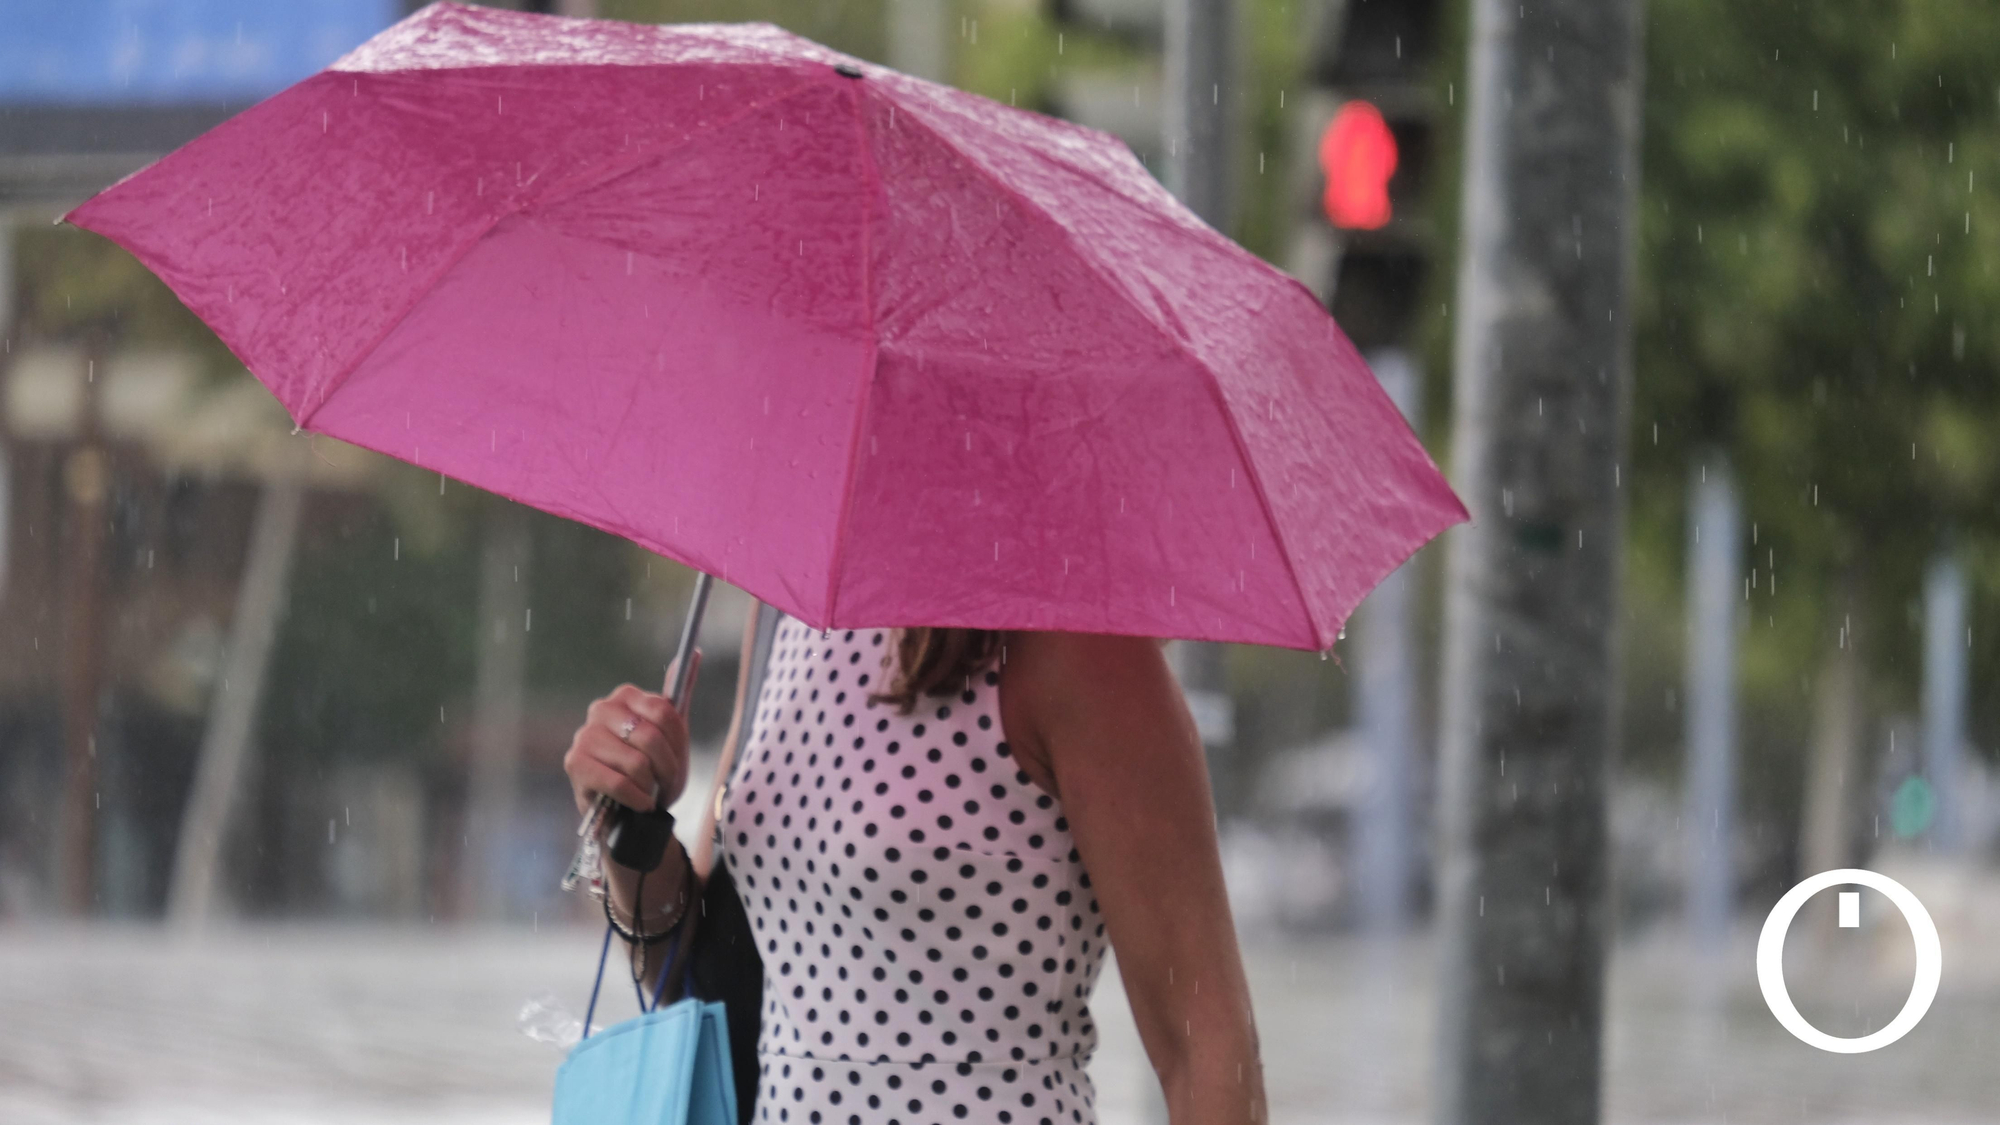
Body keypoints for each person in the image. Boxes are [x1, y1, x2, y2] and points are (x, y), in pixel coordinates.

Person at [564, 604, 1265, 1125]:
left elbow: (1203, 1043)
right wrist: (626, 817)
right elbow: (692, 974)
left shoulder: (1079, 647)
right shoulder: (785, 617)